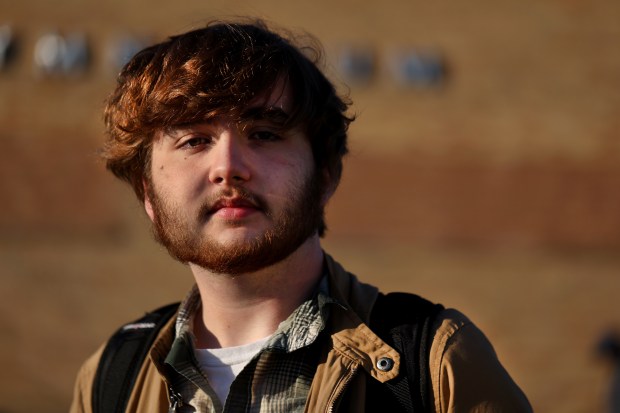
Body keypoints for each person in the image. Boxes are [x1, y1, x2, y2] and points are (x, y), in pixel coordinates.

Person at [70, 20, 532, 413]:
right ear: (147, 193)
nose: (229, 166)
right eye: (194, 140)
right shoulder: (110, 378)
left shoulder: (435, 363)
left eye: (265, 133)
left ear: (325, 174)